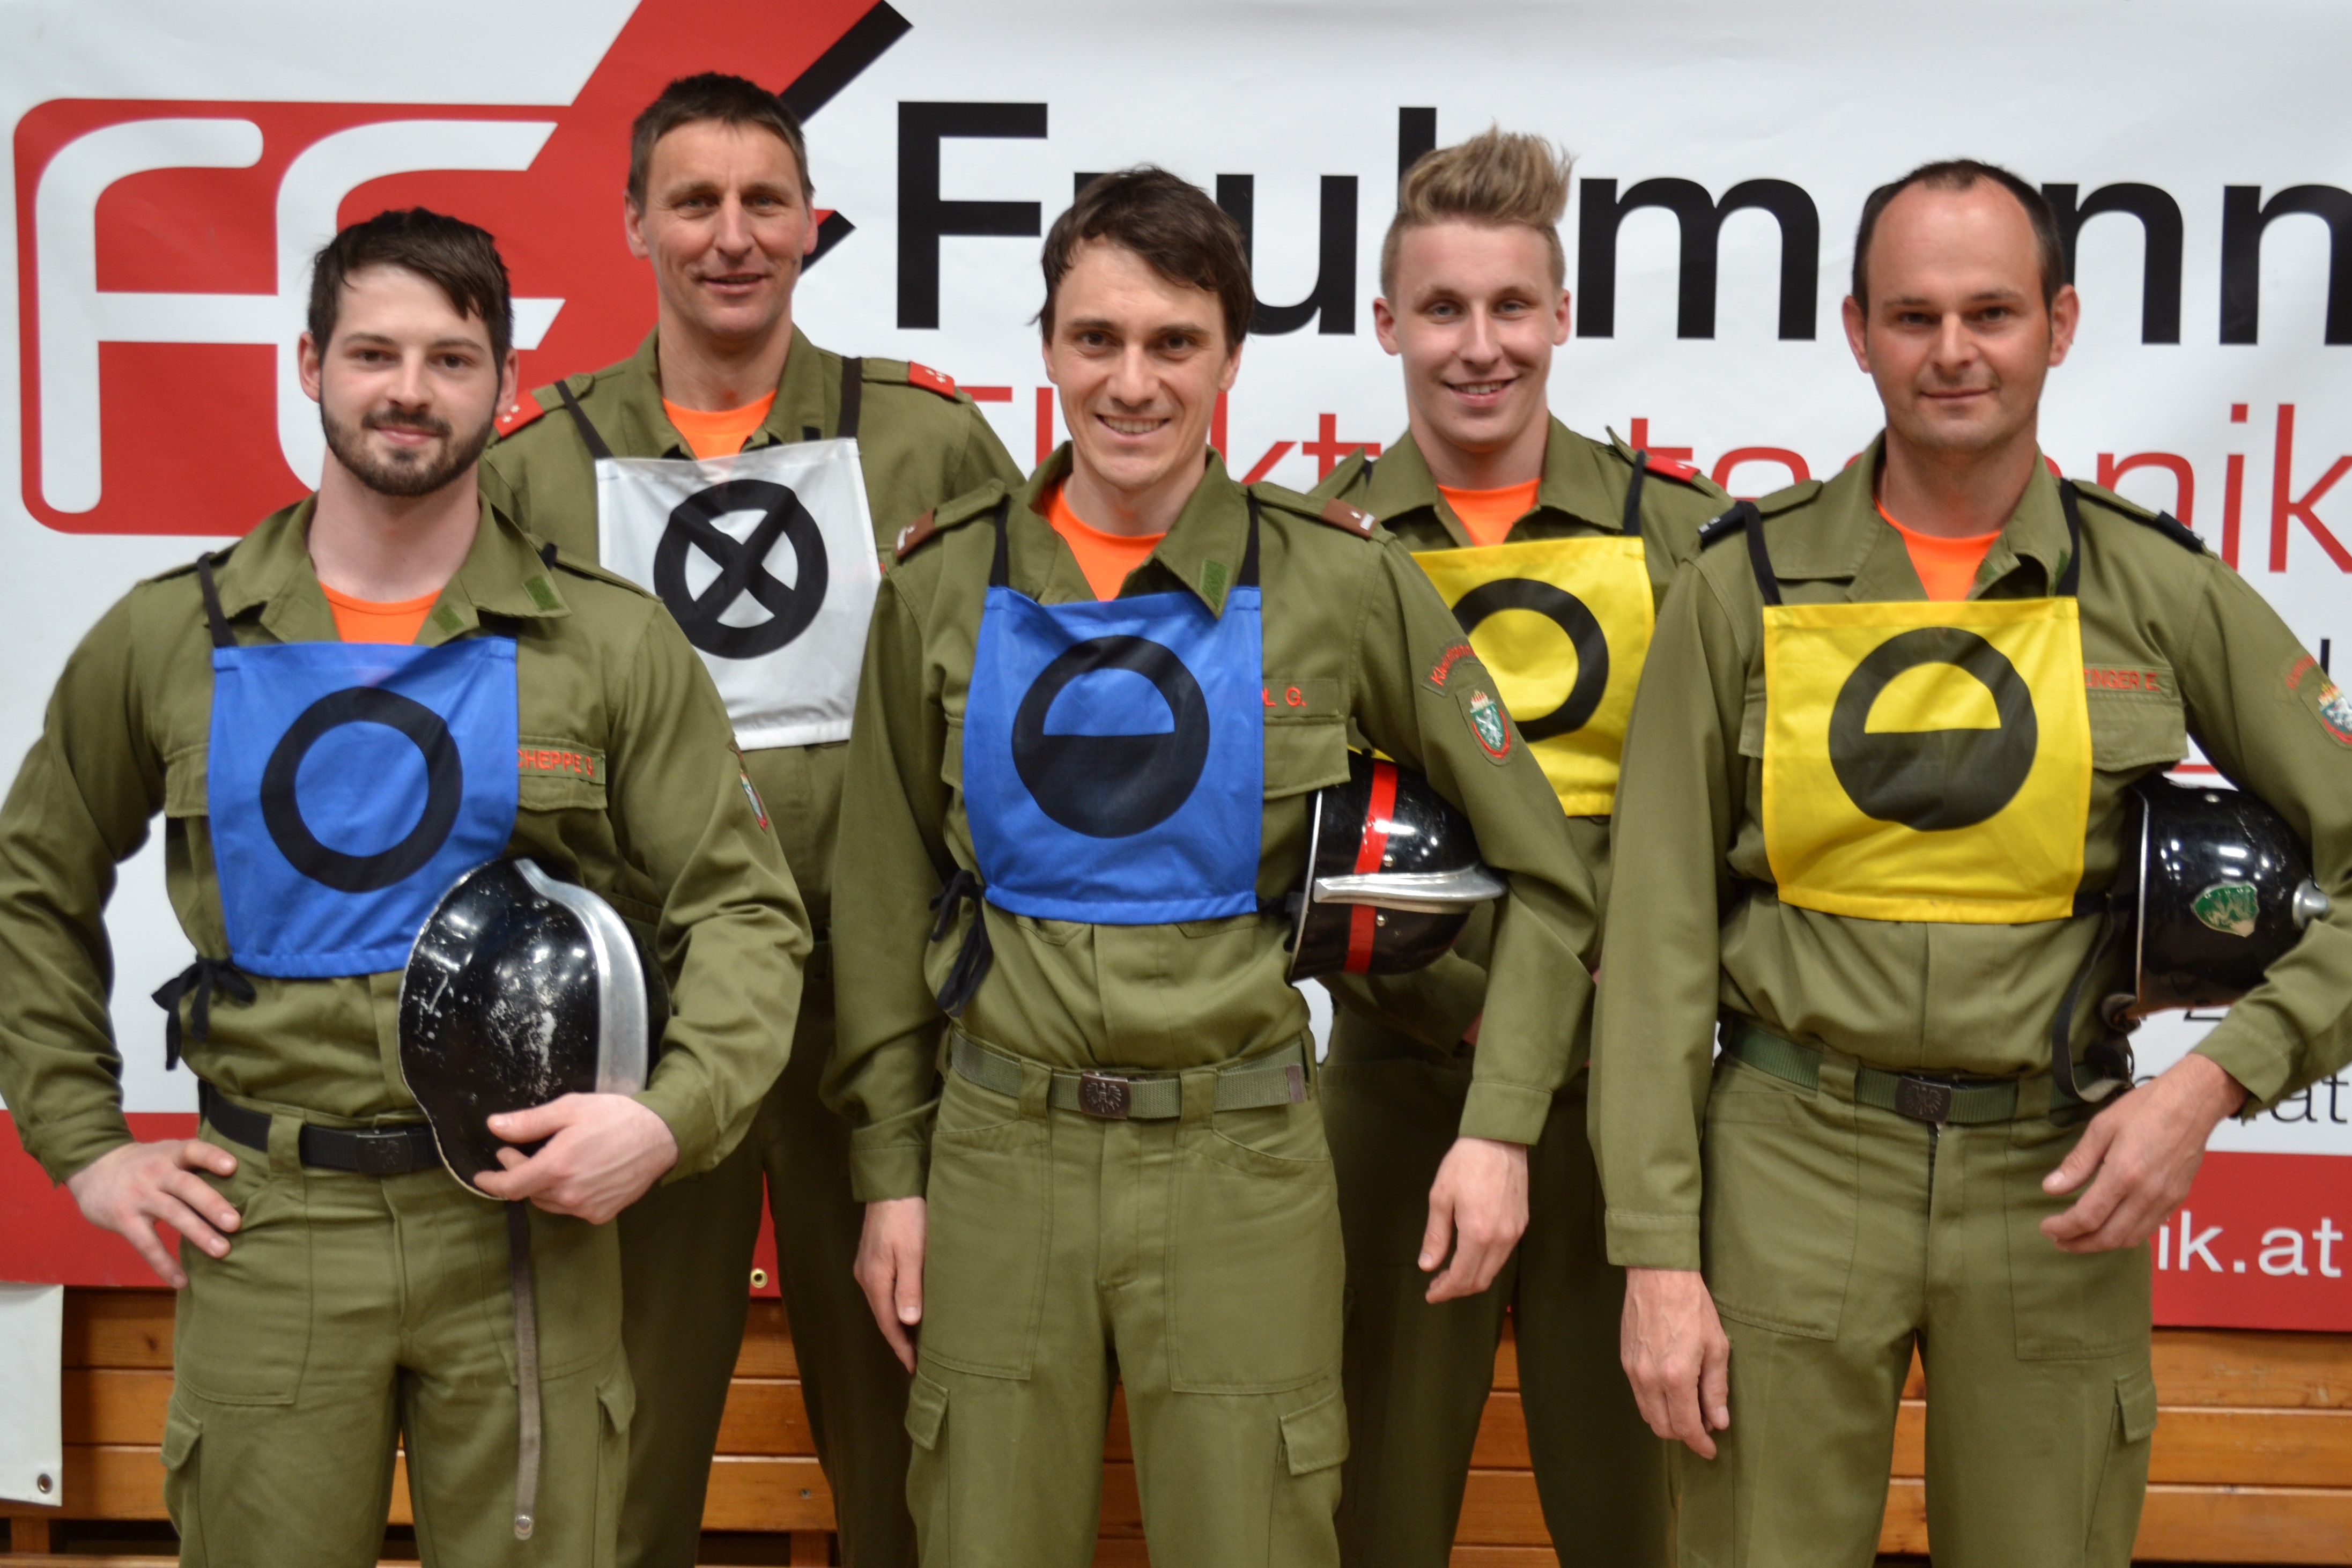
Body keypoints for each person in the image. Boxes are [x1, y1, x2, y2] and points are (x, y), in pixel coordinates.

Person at [0, 209, 808, 1567]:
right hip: (271, 1219)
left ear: (506, 381)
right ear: (309, 364)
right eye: (374, 352)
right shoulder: (170, 637)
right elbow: (32, 883)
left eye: (451, 357)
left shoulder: (606, 643)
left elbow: (745, 910)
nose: (410, 390)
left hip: (523, 1225)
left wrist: (666, 1120)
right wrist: (84, 1139)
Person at [826, 168, 1599, 1567]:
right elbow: (880, 906)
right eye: (1097, 338)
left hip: (1240, 1165)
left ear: (1232, 357)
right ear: (1049, 347)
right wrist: (892, 1174)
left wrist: (1496, 1127)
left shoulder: (1337, 580)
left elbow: (1544, 875)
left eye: (1174, 342)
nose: (1133, 382)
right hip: (999, 1159)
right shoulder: (941, 585)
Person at [1594, 160, 2352, 1567]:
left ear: (2059, 323)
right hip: (1789, 1162)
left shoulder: (2156, 587)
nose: (1953, 350)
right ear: (1858, 330)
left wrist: (2211, 1084)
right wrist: (1655, 1251)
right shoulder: (1739, 587)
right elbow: (1652, 942)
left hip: (2054, 1178)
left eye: (1992, 312)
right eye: (1914, 315)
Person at [479, 73, 1022, 1568]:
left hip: (886, 1013)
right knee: (622, 1446)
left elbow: (1022, 714)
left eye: (763, 202)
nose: (732, 236)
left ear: (811, 223)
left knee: (913, 1436)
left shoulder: (927, 442)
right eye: (696, 201)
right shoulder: (533, 467)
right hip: (638, 1018)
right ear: (634, 221)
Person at [1310, 128, 1726, 1568]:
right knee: (1371, 1517)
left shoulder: (1685, 544)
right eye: (1442, 309)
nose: (1478, 346)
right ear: (1386, 323)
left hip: (1629, 1108)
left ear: (1561, 315)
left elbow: (1726, 837)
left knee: (1639, 1522)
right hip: (1398, 1086)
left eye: (1508, 307)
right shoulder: (1315, 550)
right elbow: (1288, 838)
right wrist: (1478, 1017)